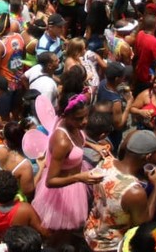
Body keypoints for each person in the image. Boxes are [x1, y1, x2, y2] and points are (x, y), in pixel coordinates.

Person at [31, 89, 102, 240]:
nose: (84, 122)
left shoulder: (74, 126)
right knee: (58, 233)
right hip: (62, 190)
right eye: (78, 119)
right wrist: (79, 178)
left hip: (77, 181)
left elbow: (76, 142)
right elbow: (50, 182)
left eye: (85, 116)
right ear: (65, 116)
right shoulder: (62, 142)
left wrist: (94, 146)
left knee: (69, 231)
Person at [83, 129, 156, 252]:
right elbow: (142, 224)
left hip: (91, 230)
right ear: (148, 157)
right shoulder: (134, 192)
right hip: (110, 245)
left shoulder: (105, 162)